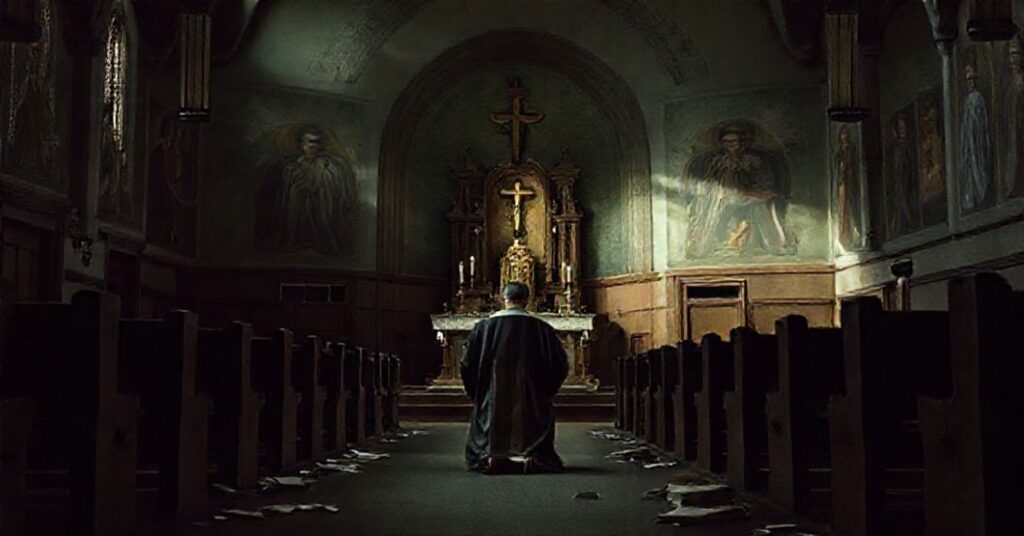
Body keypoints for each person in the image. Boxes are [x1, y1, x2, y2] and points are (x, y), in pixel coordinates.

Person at [460, 282, 568, 474]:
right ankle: (532, 456)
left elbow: (468, 364)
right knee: (535, 413)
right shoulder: (542, 329)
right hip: (531, 397)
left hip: (493, 397)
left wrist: (476, 392)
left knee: (489, 412)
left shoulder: (484, 328)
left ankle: (491, 455)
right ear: (527, 300)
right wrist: (545, 392)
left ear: (504, 298)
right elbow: (559, 364)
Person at [254, 127, 357, 256]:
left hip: (318, 206)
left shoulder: (327, 165)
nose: (313, 146)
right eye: (310, 142)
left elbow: (337, 187)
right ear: (302, 145)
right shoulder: (290, 165)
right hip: (296, 205)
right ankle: (293, 240)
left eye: (317, 143)